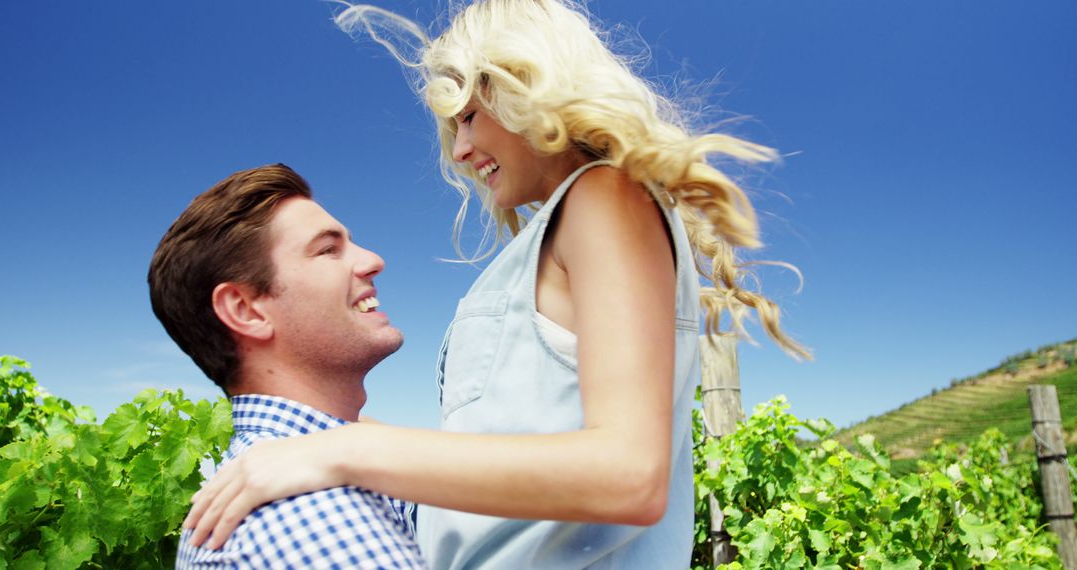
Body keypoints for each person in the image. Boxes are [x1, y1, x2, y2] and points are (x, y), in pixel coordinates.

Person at [184, 1, 809, 568]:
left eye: (470, 117)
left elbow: (629, 475)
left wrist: (337, 452)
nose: (459, 150)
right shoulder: (561, 227)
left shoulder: (602, 197)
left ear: (527, 91)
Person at [148, 164, 426, 569]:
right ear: (246, 310)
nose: (373, 260)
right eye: (328, 250)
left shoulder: (320, 471)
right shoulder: (315, 521)